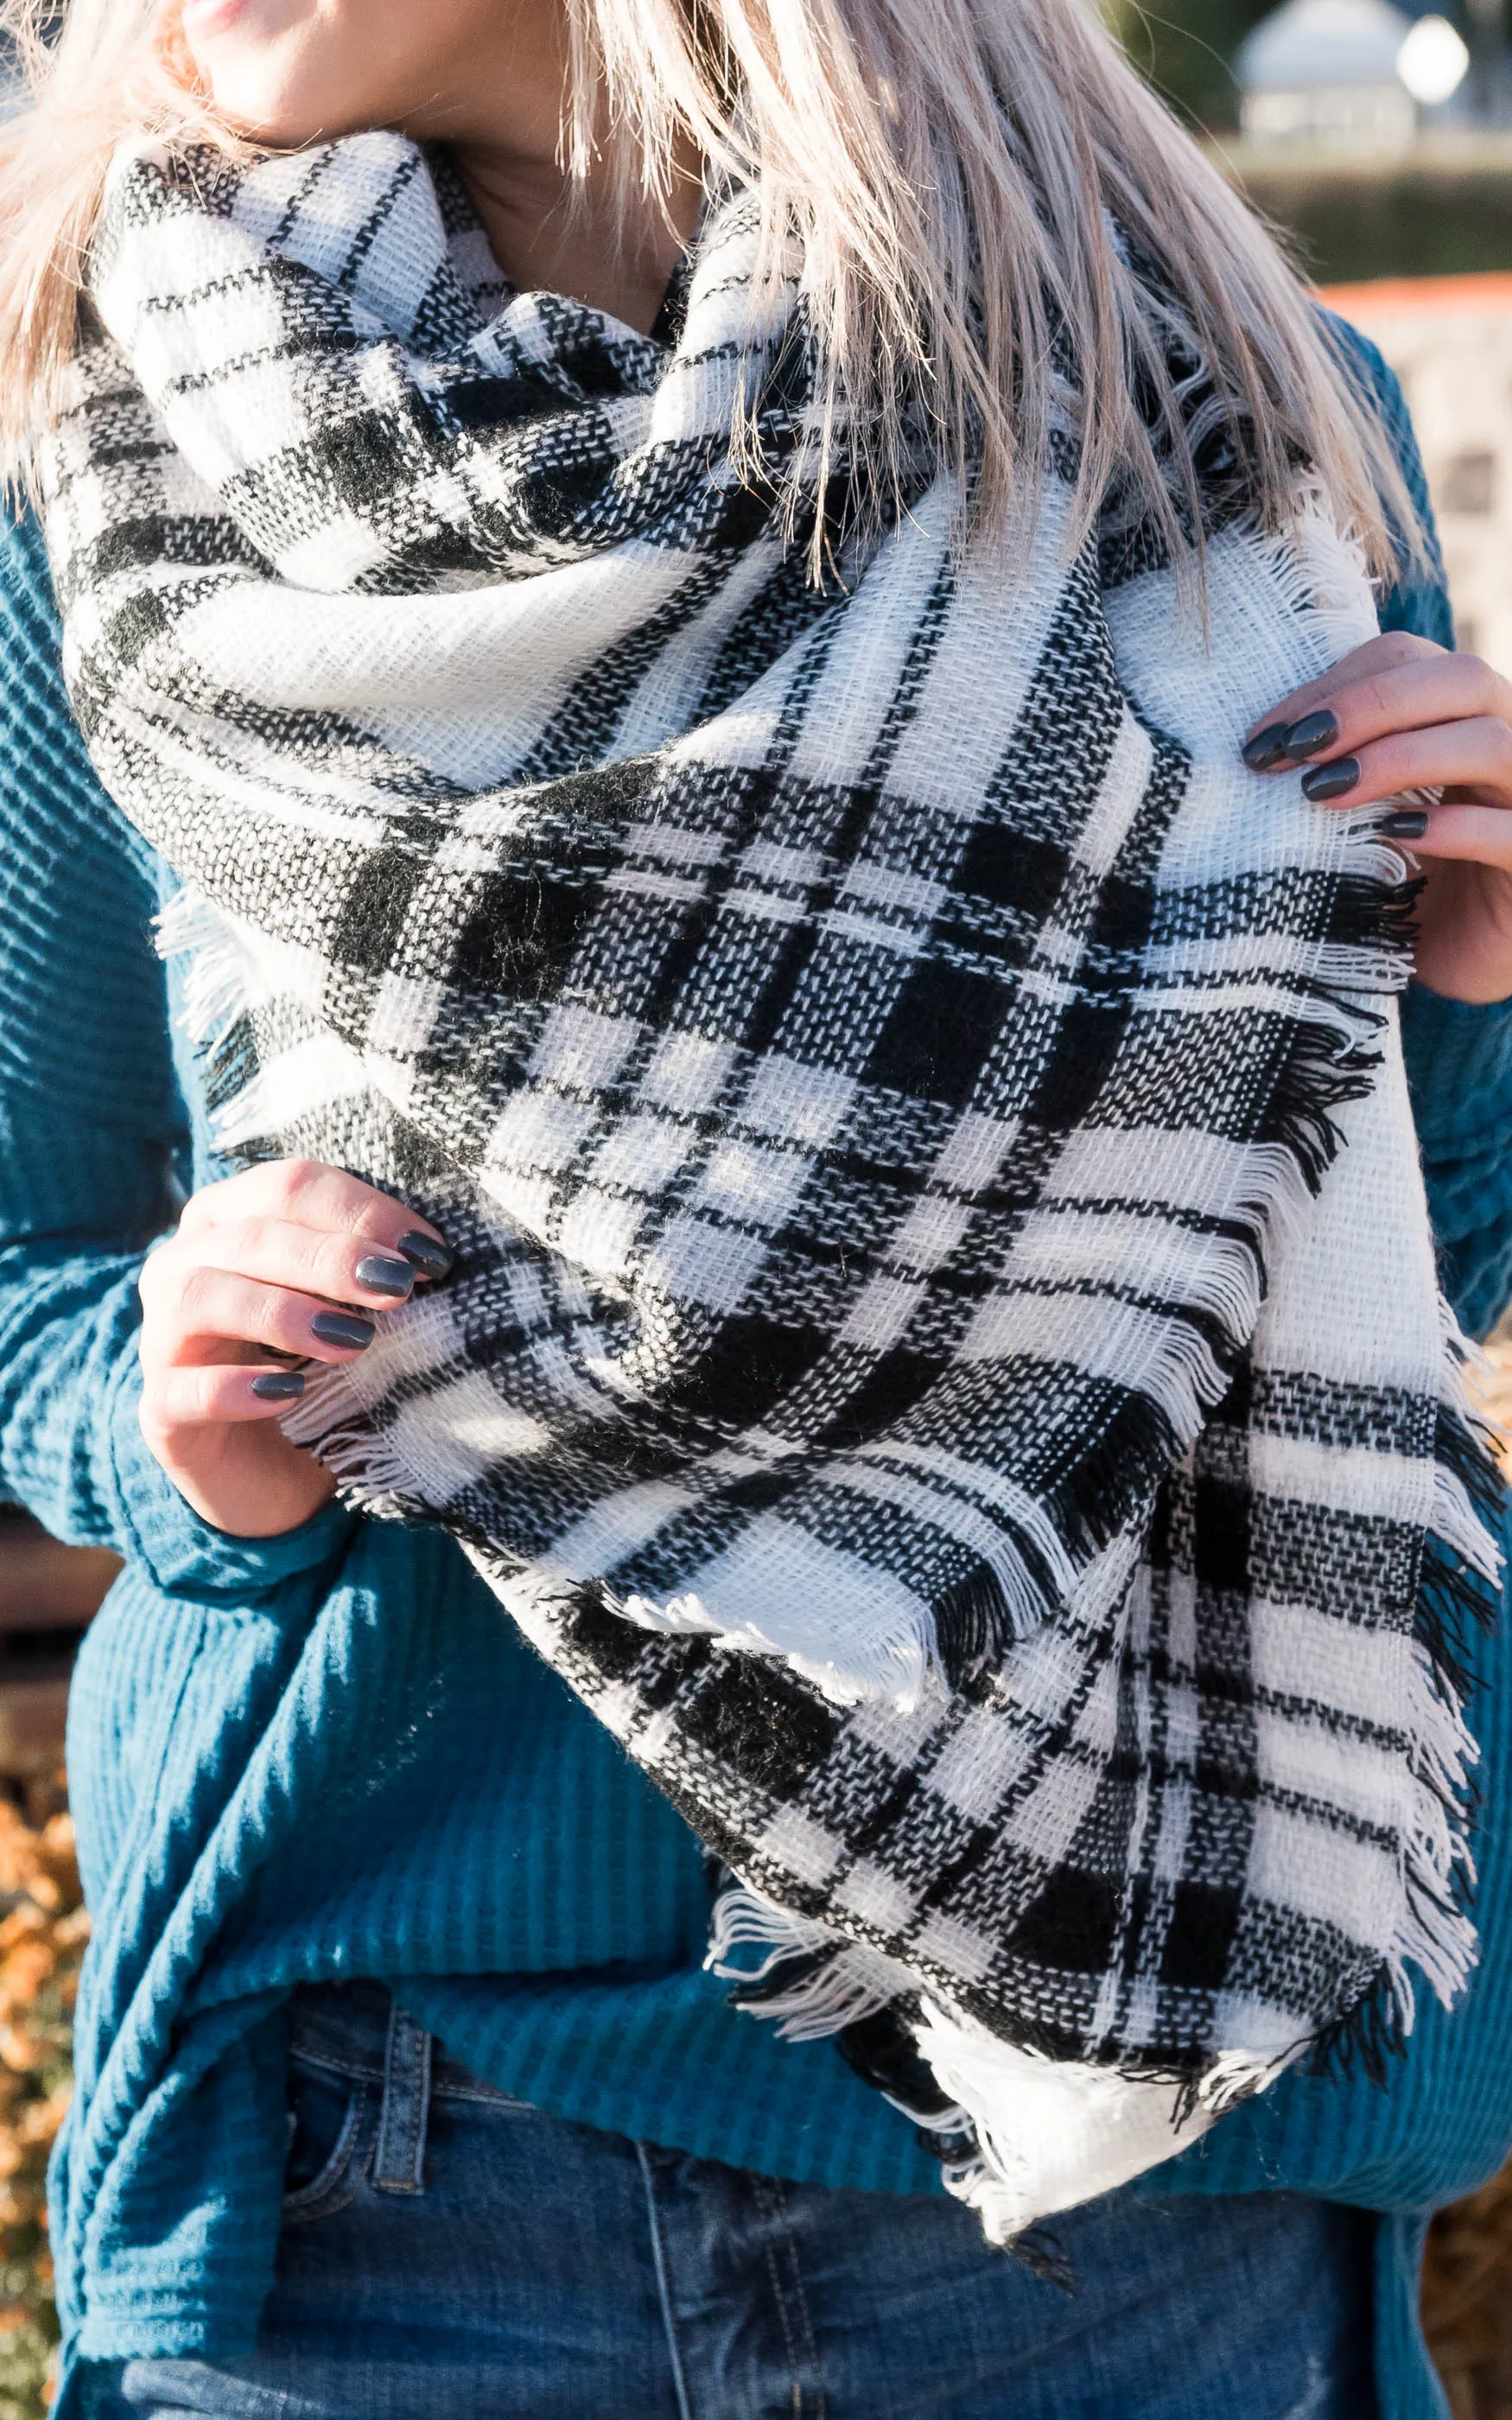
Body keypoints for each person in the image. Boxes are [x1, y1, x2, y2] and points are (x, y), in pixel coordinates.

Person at [2, 2, 1512, 2415]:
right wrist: (186, 1445)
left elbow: (1365, 1282)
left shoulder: (1206, 425)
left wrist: (1460, 981)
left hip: (1118, 2163)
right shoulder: (107, 471)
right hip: (386, 2174)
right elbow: (26, 1277)